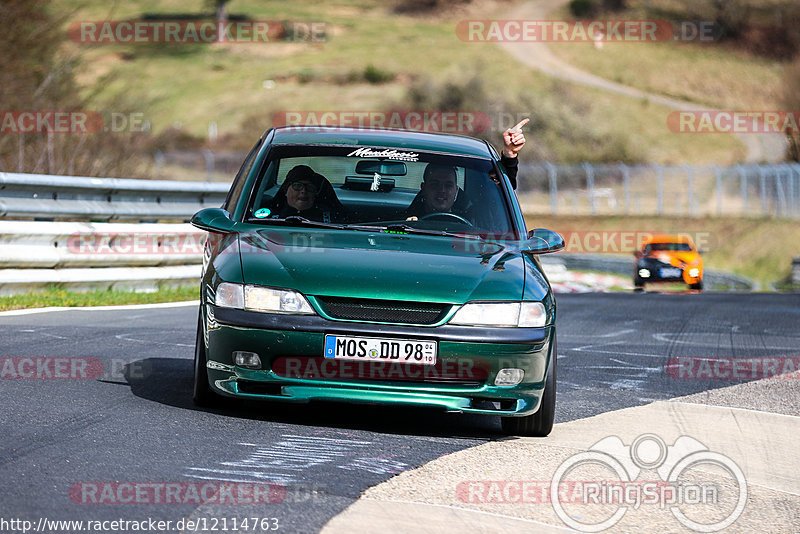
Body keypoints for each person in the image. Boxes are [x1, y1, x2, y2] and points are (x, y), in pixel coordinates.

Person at [263, 164, 346, 223]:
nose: (303, 191)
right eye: (297, 186)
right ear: (286, 191)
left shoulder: (333, 218)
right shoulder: (267, 217)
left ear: (315, 194)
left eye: (309, 187)